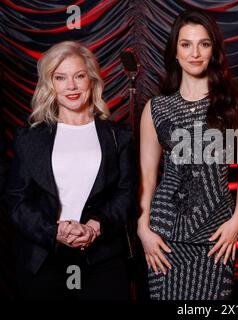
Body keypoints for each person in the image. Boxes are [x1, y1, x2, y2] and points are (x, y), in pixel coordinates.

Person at [138, 10, 238, 300]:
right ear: (175, 51)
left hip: (217, 235)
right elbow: (148, 176)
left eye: (203, 44)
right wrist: (143, 228)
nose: (195, 53)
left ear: (214, 51)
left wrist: (237, 221)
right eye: (186, 44)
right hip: (164, 236)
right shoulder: (155, 108)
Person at [6, 41, 138, 300]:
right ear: (50, 84)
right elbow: (16, 201)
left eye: (79, 76)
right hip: (43, 260)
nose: (71, 86)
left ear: (92, 80)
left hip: (103, 260)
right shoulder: (29, 138)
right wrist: (54, 231)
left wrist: (95, 227)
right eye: (61, 77)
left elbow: (127, 195)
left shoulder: (117, 136)